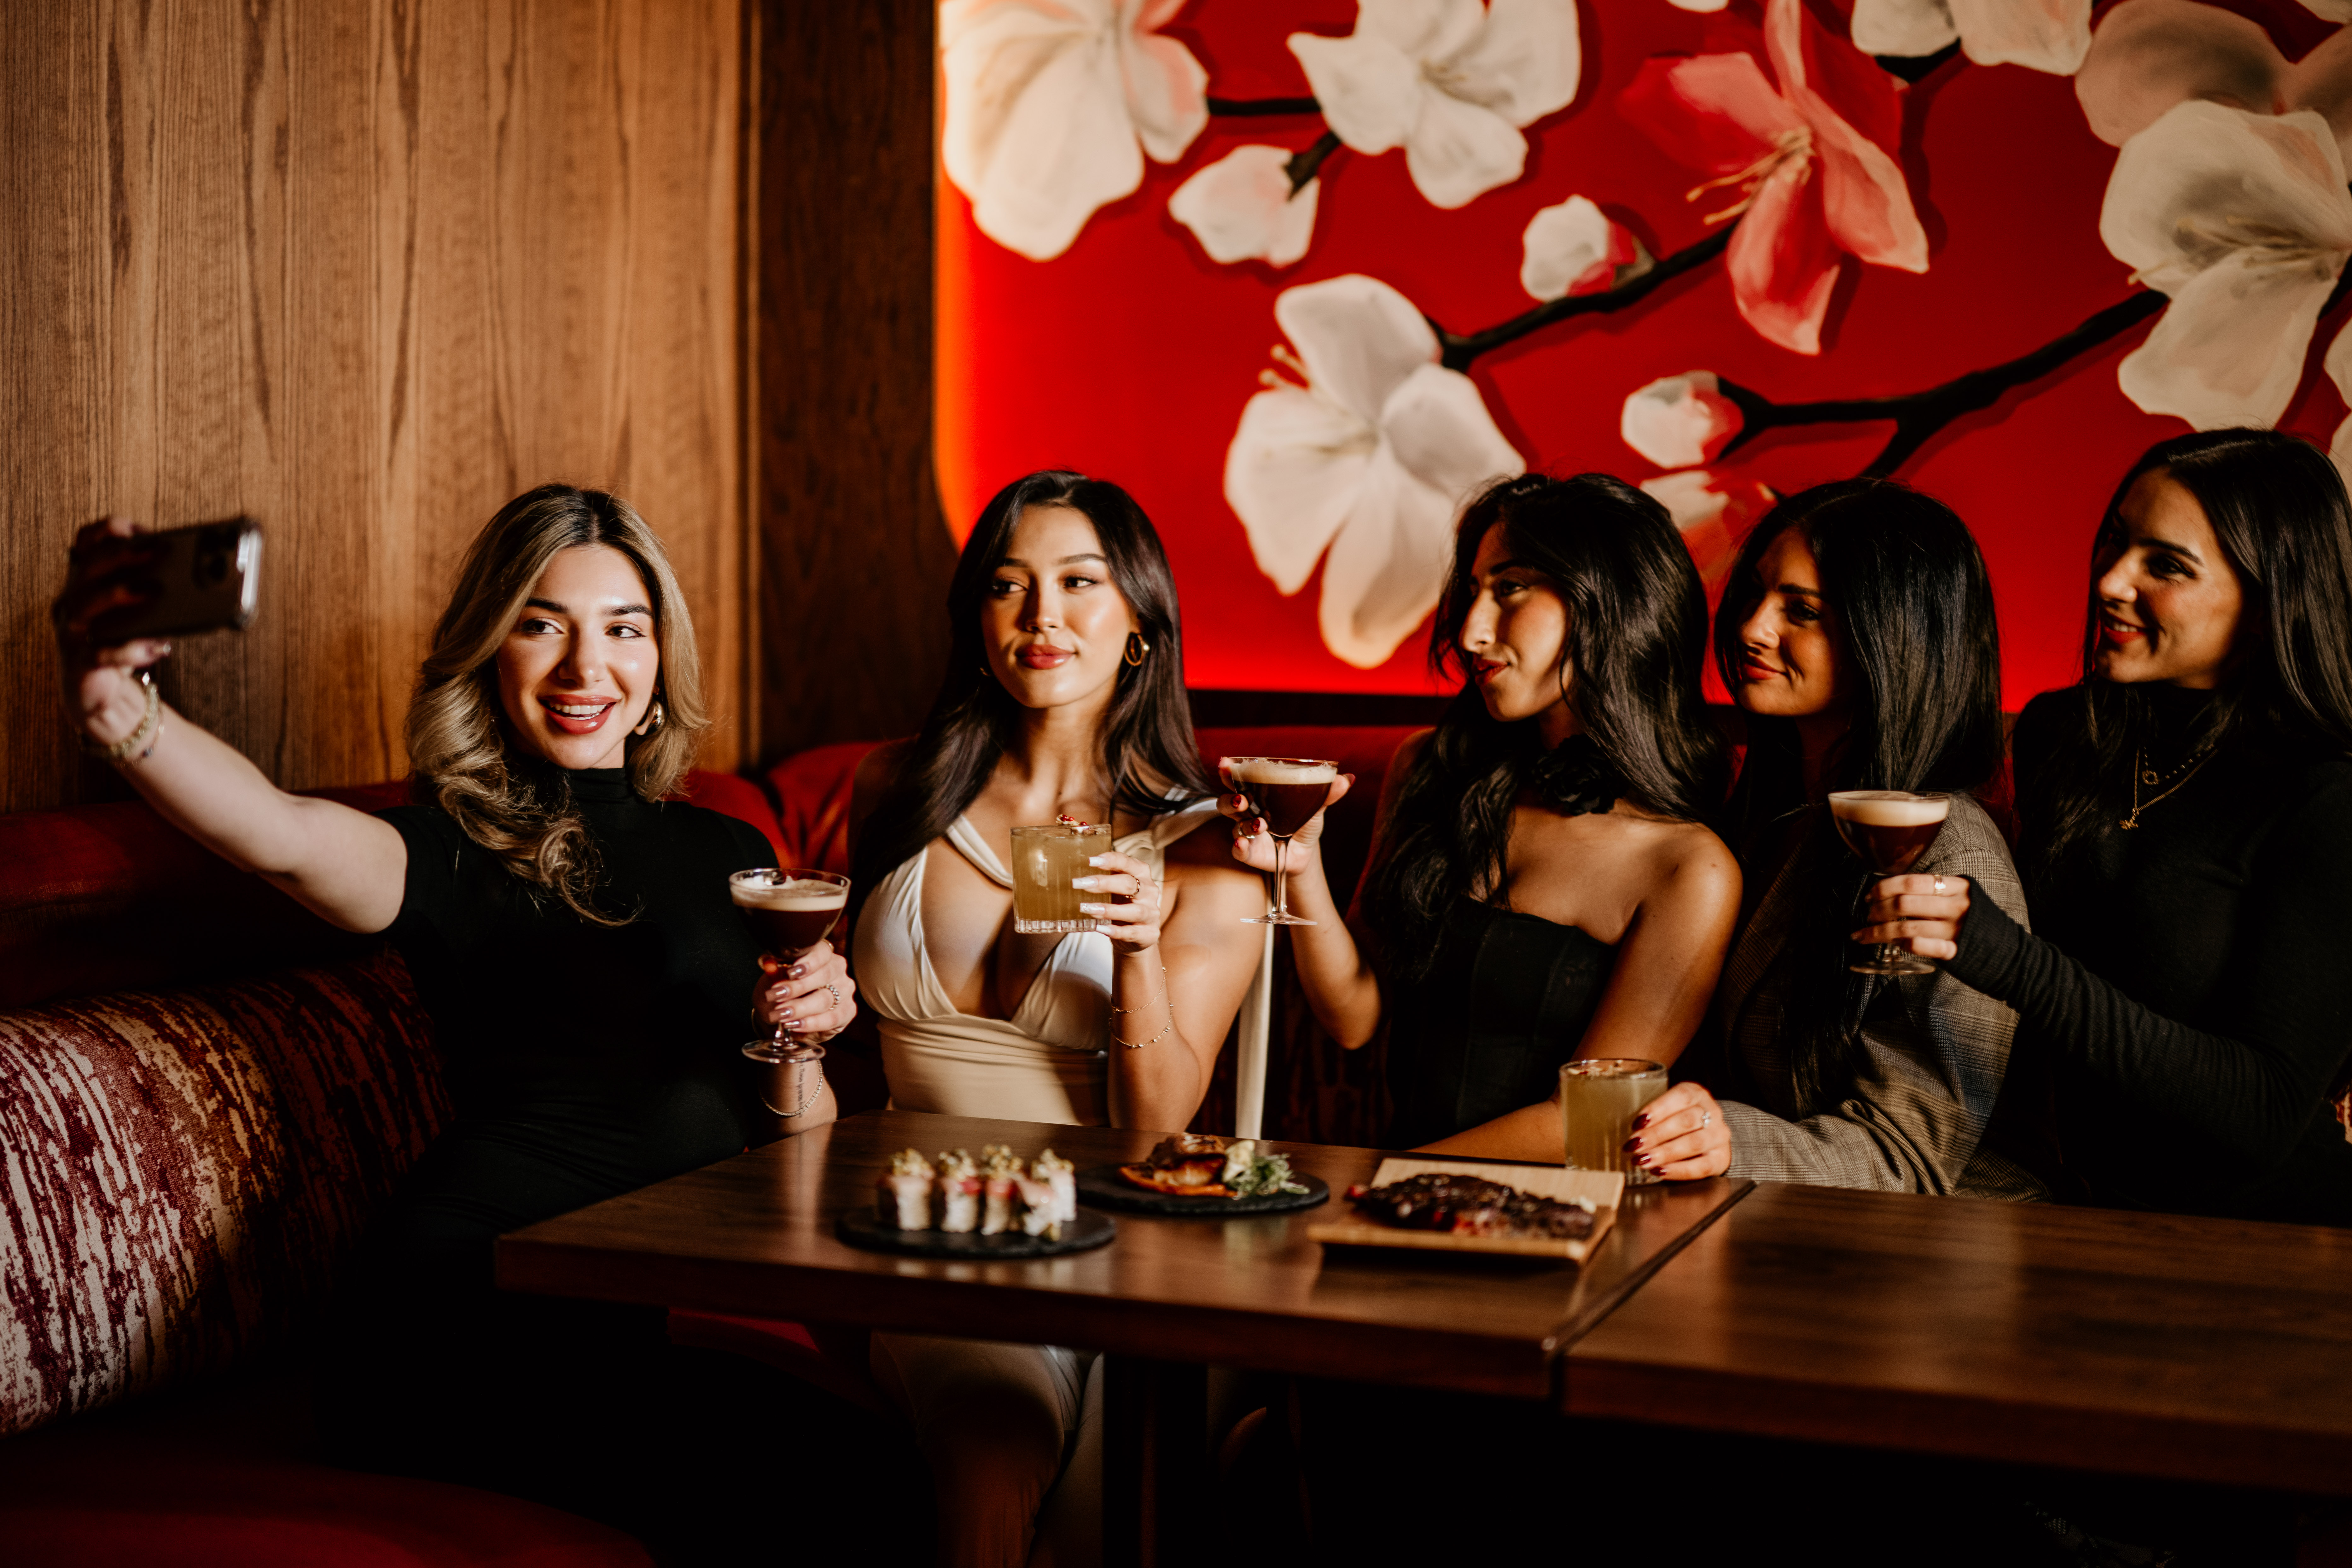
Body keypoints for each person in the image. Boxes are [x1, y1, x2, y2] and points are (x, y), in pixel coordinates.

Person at [51, 486, 879, 1562]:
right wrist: (125, 712)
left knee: (873, 1464)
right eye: (542, 624)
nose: (588, 668)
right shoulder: (453, 846)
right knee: (812, 1496)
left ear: (660, 662)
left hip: (613, 1323)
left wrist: (804, 1040)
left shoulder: (732, 854)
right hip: (453, 1320)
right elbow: (281, 835)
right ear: (491, 653)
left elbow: (795, 1150)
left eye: (623, 629)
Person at [848, 470, 1267, 1568]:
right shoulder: (892, 789)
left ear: (1139, 622)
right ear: (976, 621)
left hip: (1135, 1239)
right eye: (1009, 584)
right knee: (995, 1446)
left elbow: (1156, 1121)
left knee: (1114, 1509)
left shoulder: (1209, 847)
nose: (1042, 616)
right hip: (938, 1227)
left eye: (1080, 582)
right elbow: (837, 1047)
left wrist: (1135, 952)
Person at [1858, 430, 2352, 1225]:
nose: (2111, 580)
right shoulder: (2066, 737)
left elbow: (2259, 1118)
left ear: (2266, 604)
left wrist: (2005, 959)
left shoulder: (2325, 800)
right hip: (2076, 1210)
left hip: (2272, 1245)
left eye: (2166, 565)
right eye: (2116, 542)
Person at [1221, 472, 1740, 1160]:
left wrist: (1374, 1189)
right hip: (1392, 1204)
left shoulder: (1686, 869)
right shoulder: (1429, 771)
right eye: (1473, 590)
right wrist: (1302, 863)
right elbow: (1354, 1019)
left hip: (1552, 1227)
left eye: (1512, 588)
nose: (1471, 632)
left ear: (1608, 602)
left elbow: (1586, 1124)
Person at [1628, 479, 2045, 1198]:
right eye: (1757, 596)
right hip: (1760, 1223)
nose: (1753, 629)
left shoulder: (1948, 852)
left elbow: (1909, 1157)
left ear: (1893, 637)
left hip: (1921, 1259)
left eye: (1803, 612)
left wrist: (1727, 1139)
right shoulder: (1772, 806)